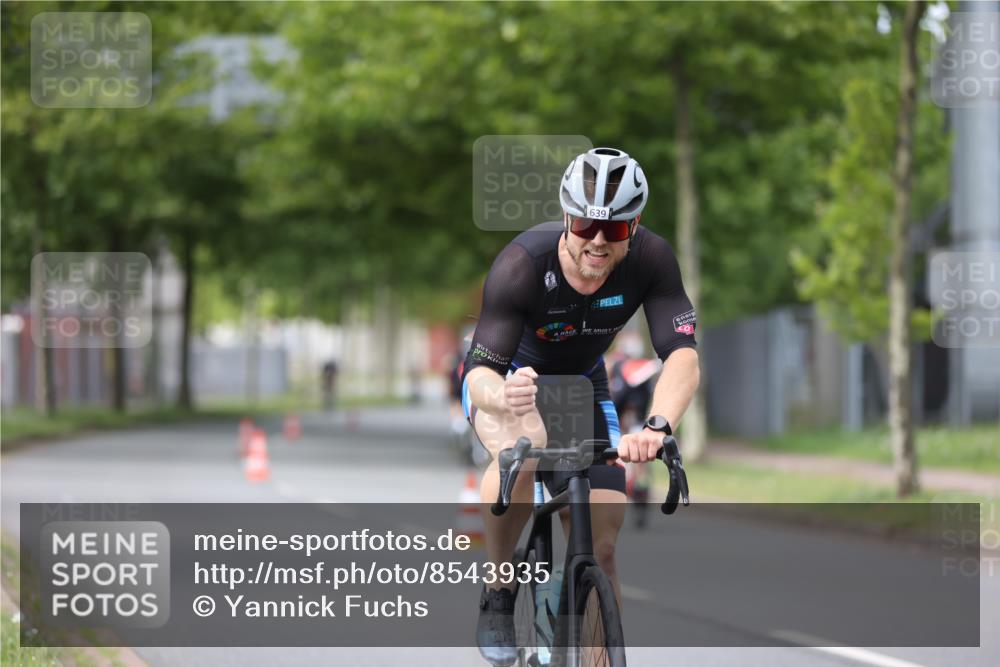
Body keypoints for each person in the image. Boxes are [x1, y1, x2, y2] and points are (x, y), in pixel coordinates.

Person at [461, 147, 701, 665]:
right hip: (511, 380)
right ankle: (500, 588)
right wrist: (500, 395)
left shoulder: (653, 260)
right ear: (566, 214)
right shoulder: (524, 264)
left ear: (634, 226)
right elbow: (478, 370)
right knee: (521, 456)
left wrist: (658, 425)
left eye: (613, 230)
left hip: (581, 385)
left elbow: (681, 355)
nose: (597, 240)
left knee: (602, 548)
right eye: (586, 224)